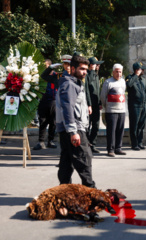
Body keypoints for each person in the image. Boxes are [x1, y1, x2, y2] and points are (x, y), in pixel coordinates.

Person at [56, 55, 95, 188]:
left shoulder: (73, 83)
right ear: (72, 68)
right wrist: (73, 131)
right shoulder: (69, 84)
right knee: (84, 160)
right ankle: (91, 194)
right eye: (82, 69)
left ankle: (64, 191)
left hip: (70, 129)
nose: (85, 72)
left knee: (67, 161)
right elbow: (67, 108)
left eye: (86, 69)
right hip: (74, 129)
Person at [34, 56, 71, 150]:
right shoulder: (48, 76)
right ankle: (41, 141)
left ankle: (50, 140)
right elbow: (43, 76)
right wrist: (51, 68)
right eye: (65, 64)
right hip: (44, 100)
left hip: (55, 101)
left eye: (47, 66)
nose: (67, 67)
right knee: (42, 121)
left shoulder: (59, 75)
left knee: (53, 122)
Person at [100, 64, 126, 157]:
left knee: (120, 130)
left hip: (121, 110)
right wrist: (107, 106)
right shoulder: (108, 82)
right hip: (111, 111)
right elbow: (103, 96)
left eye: (120, 72)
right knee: (111, 131)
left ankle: (118, 148)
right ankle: (110, 149)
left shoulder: (123, 81)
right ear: (113, 72)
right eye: (117, 71)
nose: (118, 73)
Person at [126, 61, 146, 151]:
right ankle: (134, 144)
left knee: (141, 125)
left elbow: (145, 92)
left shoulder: (143, 79)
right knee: (134, 125)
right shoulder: (130, 78)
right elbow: (129, 85)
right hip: (134, 106)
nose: (143, 71)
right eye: (141, 69)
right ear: (137, 70)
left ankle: (140, 143)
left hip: (143, 105)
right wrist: (136, 75)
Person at [85, 57, 104, 153]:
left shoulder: (96, 75)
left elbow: (98, 91)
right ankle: (87, 144)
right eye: (96, 64)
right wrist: (89, 104)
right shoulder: (87, 75)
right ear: (91, 65)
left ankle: (93, 144)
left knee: (96, 125)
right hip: (89, 105)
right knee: (87, 126)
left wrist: (100, 102)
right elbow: (87, 91)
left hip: (96, 104)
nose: (98, 66)